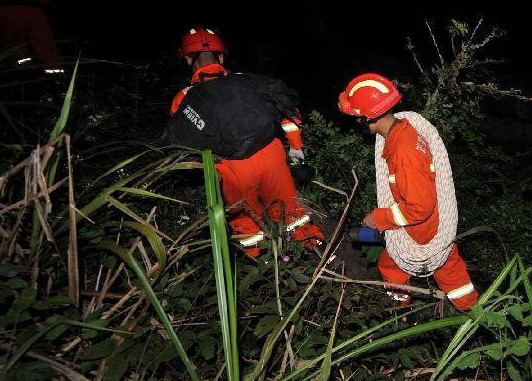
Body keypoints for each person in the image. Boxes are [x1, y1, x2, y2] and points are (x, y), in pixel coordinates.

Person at [170, 27, 323, 257]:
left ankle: (262, 263)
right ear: (221, 56)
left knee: (246, 221)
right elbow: (287, 110)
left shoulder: (184, 98)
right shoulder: (247, 80)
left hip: (231, 169)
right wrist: (295, 146)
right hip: (271, 155)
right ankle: (314, 251)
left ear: (187, 58)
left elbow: (183, 144)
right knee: (291, 210)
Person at [338, 73, 477, 310]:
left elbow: (419, 208)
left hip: (421, 231)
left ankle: (400, 313)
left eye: (356, 117)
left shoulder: (404, 153)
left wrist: (378, 218)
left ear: (365, 119)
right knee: (451, 268)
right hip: (434, 223)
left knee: (391, 266)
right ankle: (474, 314)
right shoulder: (404, 130)